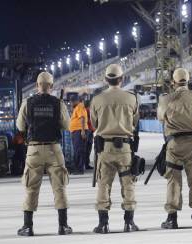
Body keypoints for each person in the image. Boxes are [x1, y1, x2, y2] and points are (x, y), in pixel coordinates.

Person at [16, 72, 72, 236]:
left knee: (31, 188)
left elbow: (20, 125)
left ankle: (28, 226)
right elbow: (67, 125)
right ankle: (63, 226)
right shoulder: (58, 103)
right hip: (54, 149)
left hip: (34, 149)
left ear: (37, 85)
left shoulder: (28, 102)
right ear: (52, 86)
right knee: (59, 188)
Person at [90, 64, 139, 233]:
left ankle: (103, 224)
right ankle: (129, 223)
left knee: (103, 184)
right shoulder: (132, 98)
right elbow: (135, 122)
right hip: (125, 148)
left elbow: (94, 124)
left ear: (105, 79)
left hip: (105, 148)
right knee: (128, 184)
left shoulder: (97, 99)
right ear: (122, 78)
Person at [157, 68, 192, 229]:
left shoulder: (166, 99)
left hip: (174, 144)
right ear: (188, 80)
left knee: (173, 180)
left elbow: (160, 117)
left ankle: (172, 218)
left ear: (173, 82)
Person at [69, 94, 88, 174]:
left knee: (79, 150)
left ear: (76, 101)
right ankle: (77, 168)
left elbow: (82, 118)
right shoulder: (76, 107)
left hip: (79, 131)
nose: (71, 103)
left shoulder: (80, 106)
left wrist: (83, 131)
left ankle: (79, 169)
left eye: (72, 101)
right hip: (76, 131)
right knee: (77, 150)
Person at [84, 99, 94, 170]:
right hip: (89, 130)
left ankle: (86, 164)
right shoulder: (88, 110)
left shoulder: (86, 110)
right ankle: (86, 164)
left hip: (88, 130)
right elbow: (90, 121)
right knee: (87, 148)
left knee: (87, 148)